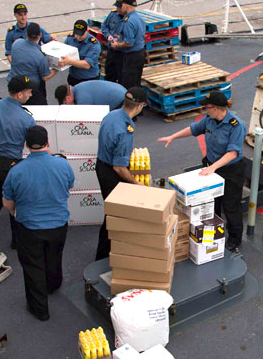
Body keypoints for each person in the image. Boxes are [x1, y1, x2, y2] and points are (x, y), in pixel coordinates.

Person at [157, 91, 247, 254]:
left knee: (231, 206)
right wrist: (172, 136)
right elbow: (193, 129)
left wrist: (213, 168)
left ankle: (235, 239)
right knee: (212, 204)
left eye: (207, 107)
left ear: (216, 108)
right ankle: (213, 235)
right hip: (212, 168)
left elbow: (232, 153)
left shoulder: (236, 126)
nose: (205, 109)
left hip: (230, 171)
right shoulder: (209, 120)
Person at [2, 125, 74, 321]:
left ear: (26, 145)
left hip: (30, 227)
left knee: (33, 266)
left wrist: (15, 212)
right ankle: (53, 284)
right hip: (58, 224)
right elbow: (69, 187)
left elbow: (8, 202)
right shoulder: (63, 165)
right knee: (54, 256)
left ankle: (40, 309)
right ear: (48, 143)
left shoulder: (16, 171)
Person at [0, 75, 36, 248]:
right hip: (9, 164)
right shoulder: (26, 118)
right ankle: (17, 241)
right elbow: (33, 145)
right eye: (28, 92)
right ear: (19, 95)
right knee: (16, 200)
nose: (31, 94)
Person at [94, 87, 148, 260]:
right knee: (115, 216)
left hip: (101, 165)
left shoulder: (112, 116)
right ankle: (103, 256)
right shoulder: (125, 130)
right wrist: (135, 183)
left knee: (111, 211)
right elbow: (119, 167)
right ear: (139, 106)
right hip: (111, 174)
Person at [8, 22, 55, 105]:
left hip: (14, 86)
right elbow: (45, 77)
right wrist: (56, 69)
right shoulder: (40, 57)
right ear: (40, 35)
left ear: (26, 34)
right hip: (31, 91)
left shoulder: (16, 44)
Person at [111, 0, 146, 89]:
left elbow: (129, 43)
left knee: (128, 84)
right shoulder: (139, 18)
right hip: (140, 53)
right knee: (136, 81)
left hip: (131, 57)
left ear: (125, 5)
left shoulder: (128, 21)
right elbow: (137, 35)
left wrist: (117, 45)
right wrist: (122, 38)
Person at [59, 19, 100, 86]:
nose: (78, 37)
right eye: (76, 34)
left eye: (81, 34)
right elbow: (63, 51)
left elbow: (87, 65)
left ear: (87, 30)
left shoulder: (93, 44)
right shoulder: (70, 39)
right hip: (74, 77)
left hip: (89, 79)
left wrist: (69, 61)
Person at [54, 80, 127, 110]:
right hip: (121, 90)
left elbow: (87, 119)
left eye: (65, 104)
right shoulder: (77, 88)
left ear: (68, 98)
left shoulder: (83, 100)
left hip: (120, 100)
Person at [101, 0, 125, 84]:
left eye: (119, 7)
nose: (117, 9)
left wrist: (120, 41)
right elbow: (104, 26)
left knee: (122, 77)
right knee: (109, 74)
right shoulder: (113, 14)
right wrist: (108, 36)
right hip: (111, 50)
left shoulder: (130, 19)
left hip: (123, 53)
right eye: (117, 7)